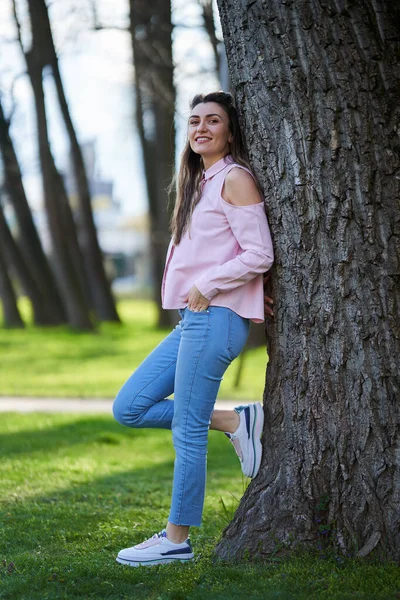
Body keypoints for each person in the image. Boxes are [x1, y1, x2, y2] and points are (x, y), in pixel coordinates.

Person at [112, 91, 274, 567]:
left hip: (216, 316)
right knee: (130, 407)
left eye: (213, 121)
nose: (201, 128)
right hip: (193, 321)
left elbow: (259, 252)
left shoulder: (235, 179)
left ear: (230, 130)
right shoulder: (199, 181)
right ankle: (232, 421)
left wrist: (208, 283)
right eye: (194, 121)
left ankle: (176, 539)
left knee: (185, 429)